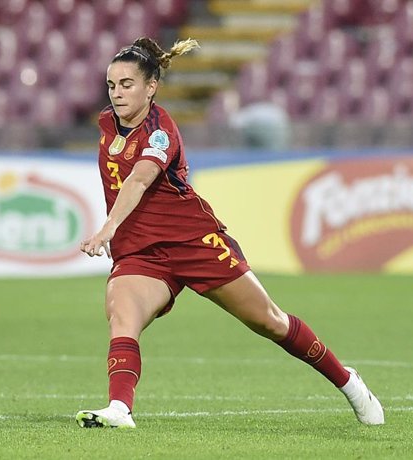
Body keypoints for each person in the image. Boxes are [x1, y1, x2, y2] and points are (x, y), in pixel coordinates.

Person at [75, 37, 384, 429]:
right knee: (122, 314)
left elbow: (138, 180)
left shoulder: (160, 131)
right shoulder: (107, 122)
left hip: (194, 242)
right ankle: (120, 408)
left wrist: (107, 228)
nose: (117, 93)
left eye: (127, 84)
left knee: (270, 322)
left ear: (151, 87)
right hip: (141, 252)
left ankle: (349, 382)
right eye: (111, 85)